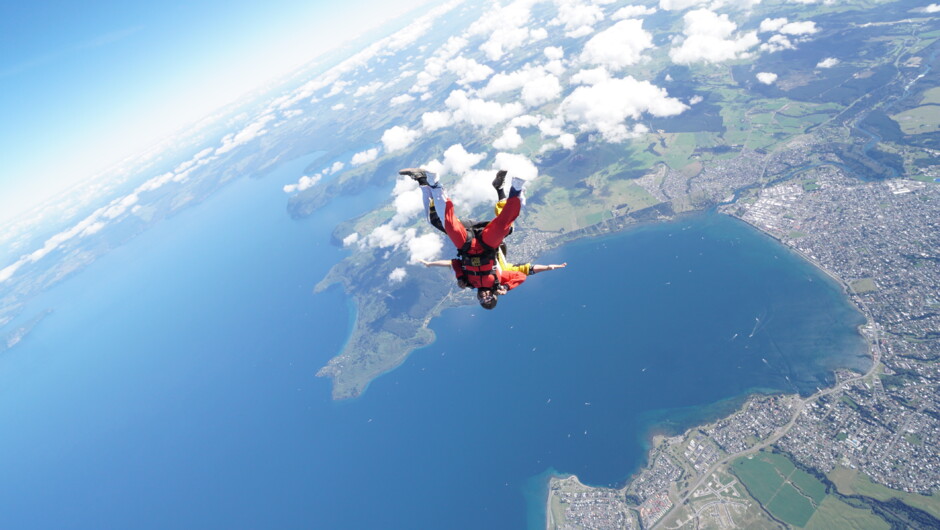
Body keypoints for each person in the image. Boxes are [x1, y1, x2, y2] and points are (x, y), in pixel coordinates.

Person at [400, 167, 566, 309]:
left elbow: (456, 263)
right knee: (505, 225)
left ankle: (431, 183)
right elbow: (523, 274)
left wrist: (457, 277)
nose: (484, 296)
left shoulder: (469, 283)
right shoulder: (499, 281)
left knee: (445, 223)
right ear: (494, 295)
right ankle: (515, 189)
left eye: (482, 299)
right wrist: (507, 287)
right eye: (489, 298)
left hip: (467, 244)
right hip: (488, 244)